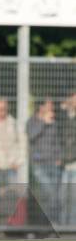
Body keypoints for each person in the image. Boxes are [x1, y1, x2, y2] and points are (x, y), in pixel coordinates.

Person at [27, 99, 62, 223]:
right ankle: (49, 222)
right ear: (41, 107)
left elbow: (57, 142)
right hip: (39, 165)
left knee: (55, 195)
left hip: (54, 163)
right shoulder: (32, 121)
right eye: (49, 105)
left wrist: (59, 157)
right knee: (50, 192)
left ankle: (52, 222)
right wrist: (43, 122)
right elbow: (31, 135)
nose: (52, 107)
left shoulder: (53, 122)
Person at [59, 92, 76, 225]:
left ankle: (72, 224)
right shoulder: (64, 117)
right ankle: (63, 223)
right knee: (63, 196)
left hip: (74, 163)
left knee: (74, 197)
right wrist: (65, 109)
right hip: (65, 163)